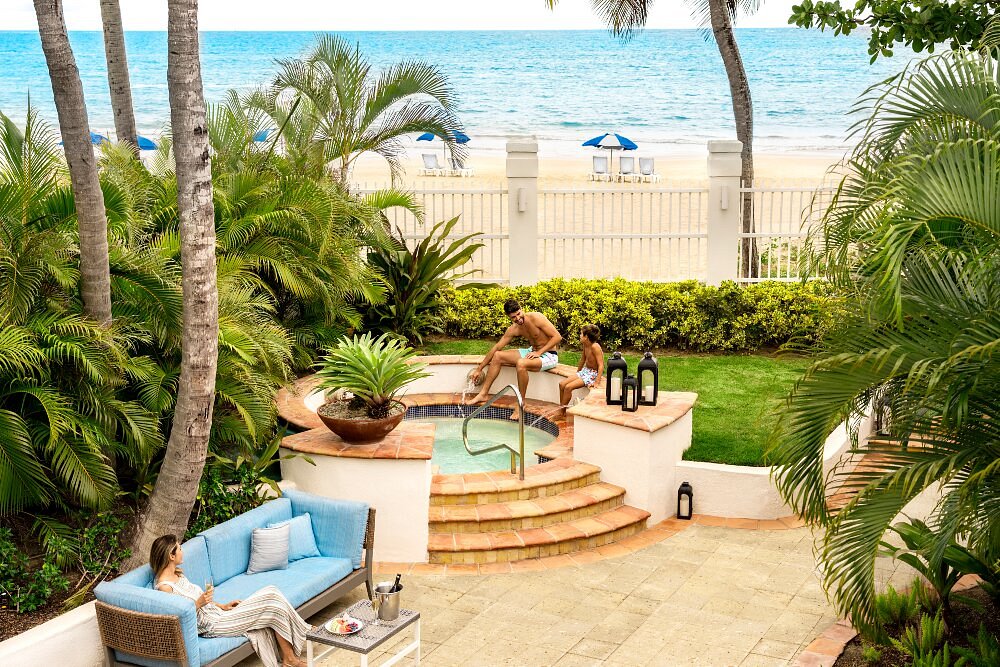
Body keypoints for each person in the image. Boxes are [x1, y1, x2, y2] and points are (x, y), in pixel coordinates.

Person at [150, 535, 310, 667]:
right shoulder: (165, 588)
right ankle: (297, 646)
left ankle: (291, 655)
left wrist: (222, 605)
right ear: (171, 556)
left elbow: (201, 603)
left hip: (219, 614)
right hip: (214, 625)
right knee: (271, 601)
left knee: (272, 591)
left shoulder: (178, 575)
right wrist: (199, 603)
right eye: (179, 548)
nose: (182, 551)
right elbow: (178, 620)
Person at [466, 298, 563, 420]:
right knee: (498, 356)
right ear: (509, 317)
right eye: (513, 317)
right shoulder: (514, 329)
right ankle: (483, 394)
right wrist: (479, 369)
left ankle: (521, 403)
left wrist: (539, 352)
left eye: (518, 314)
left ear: (521, 309)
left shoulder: (536, 317)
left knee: (521, 363)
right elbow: (497, 347)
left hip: (549, 354)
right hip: (532, 351)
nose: (518, 318)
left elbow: (557, 337)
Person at [559, 324, 604, 411]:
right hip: (585, 371)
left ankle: (561, 411)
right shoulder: (585, 345)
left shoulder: (595, 346)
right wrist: (578, 372)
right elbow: (583, 359)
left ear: (586, 337)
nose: (579, 336)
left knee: (568, 387)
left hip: (592, 374)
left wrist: (597, 382)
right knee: (562, 384)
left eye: (581, 334)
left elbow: (601, 365)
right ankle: (561, 408)